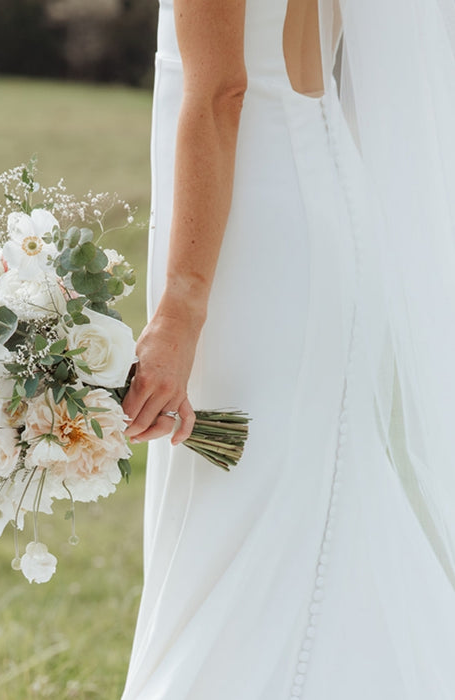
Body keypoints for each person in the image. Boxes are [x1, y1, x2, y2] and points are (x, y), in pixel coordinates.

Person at [121, 0, 455, 697]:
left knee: (235, 535)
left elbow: (219, 93)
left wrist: (180, 308)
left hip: (252, 242)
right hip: (321, 202)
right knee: (306, 519)